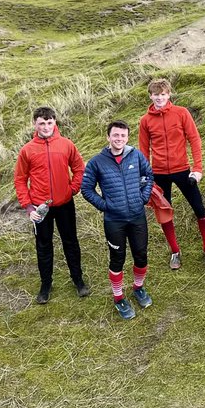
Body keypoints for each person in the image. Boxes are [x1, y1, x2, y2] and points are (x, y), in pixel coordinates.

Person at [138, 77, 205, 270]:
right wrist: (145, 176)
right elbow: (143, 151)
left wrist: (197, 169)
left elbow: (195, 140)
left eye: (163, 94)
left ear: (169, 95)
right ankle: (175, 251)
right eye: (156, 95)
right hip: (158, 174)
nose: (159, 98)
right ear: (150, 96)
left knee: (199, 208)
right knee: (165, 213)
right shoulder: (145, 121)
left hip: (183, 170)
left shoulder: (181, 113)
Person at [13, 106, 89, 304]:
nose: (46, 127)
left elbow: (79, 169)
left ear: (55, 122)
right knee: (43, 245)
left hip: (65, 204)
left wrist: (72, 189)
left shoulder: (66, 144)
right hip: (40, 209)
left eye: (49, 122)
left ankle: (78, 280)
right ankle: (45, 285)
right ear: (35, 124)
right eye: (41, 123)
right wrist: (29, 207)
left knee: (71, 242)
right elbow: (20, 180)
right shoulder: (27, 150)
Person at [81, 120, 155, 320]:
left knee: (141, 255)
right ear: (108, 137)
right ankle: (118, 297)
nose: (119, 139)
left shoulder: (136, 155)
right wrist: (105, 206)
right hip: (114, 221)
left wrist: (143, 197)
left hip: (137, 216)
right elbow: (86, 189)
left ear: (127, 137)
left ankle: (138, 288)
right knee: (118, 259)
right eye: (115, 135)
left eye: (123, 136)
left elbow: (148, 175)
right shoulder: (97, 162)